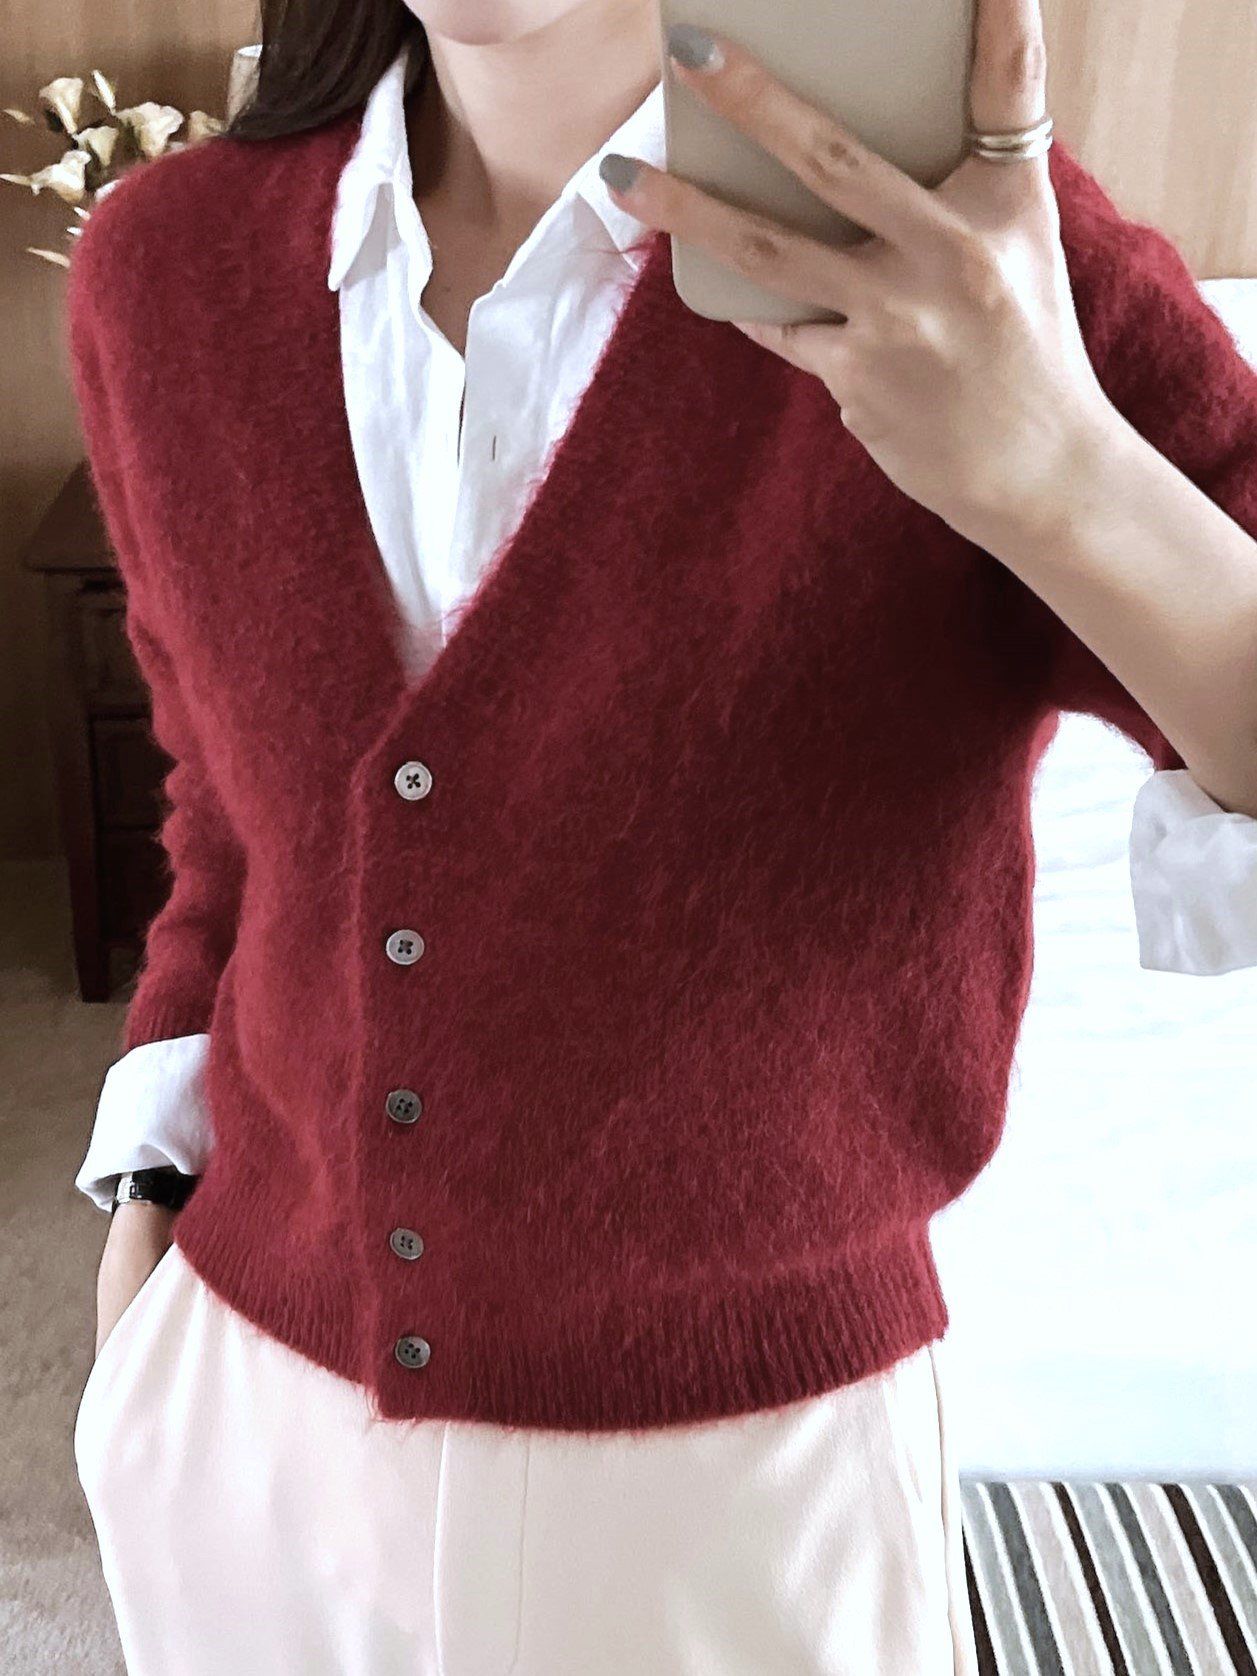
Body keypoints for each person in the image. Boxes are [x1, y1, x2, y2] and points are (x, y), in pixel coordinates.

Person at [67, 0, 1257, 1670]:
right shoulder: (160, 266)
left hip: (736, 1477)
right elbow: (228, 802)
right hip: (237, 1410)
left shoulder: (972, 265)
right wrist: (153, 1175)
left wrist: (1059, 473)